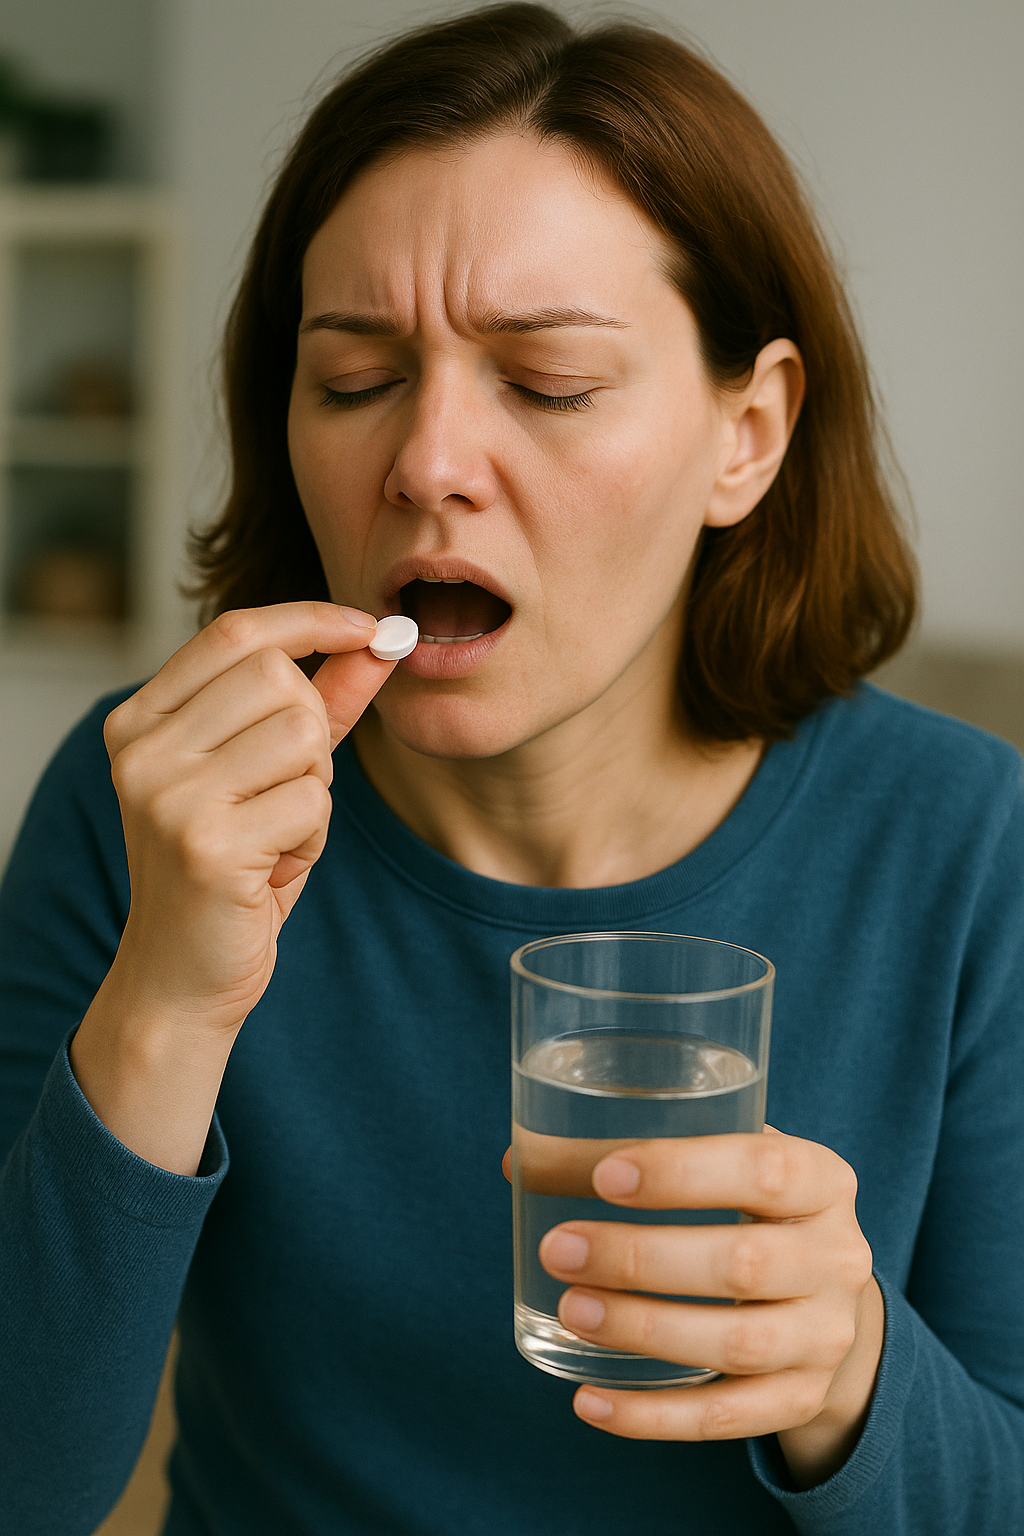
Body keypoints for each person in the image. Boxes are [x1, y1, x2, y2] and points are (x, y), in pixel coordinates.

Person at [1, 7, 1021, 1533]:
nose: (423, 462)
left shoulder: (972, 847)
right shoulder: (142, 804)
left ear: (747, 434)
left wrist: (853, 1376)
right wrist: (166, 994)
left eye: (546, 383)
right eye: (352, 380)